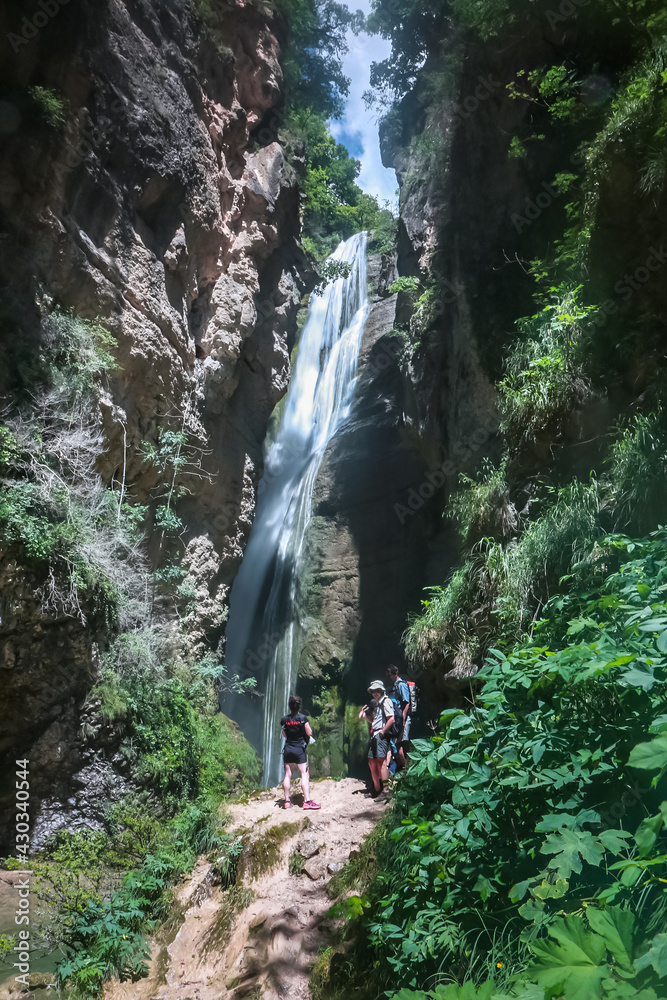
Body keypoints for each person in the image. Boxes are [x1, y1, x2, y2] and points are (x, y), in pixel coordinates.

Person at [281, 694, 321, 810]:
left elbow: (284, 734)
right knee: (304, 773)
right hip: (299, 749)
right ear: (299, 706)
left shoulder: (284, 719)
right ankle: (307, 801)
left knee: (288, 774)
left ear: (290, 706)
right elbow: (309, 733)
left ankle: (287, 801)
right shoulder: (302, 718)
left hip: (288, 748)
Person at [358, 681, 395, 797]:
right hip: (375, 735)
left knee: (381, 762)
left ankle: (385, 791)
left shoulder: (386, 701)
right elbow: (375, 722)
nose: (375, 693)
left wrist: (383, 732)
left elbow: (391, 719)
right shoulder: (378, 704)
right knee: (372, 762)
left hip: (380, 735)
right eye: (373, 691)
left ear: (382, 690)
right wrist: (365, 716)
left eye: (377, 690)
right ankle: (376, 789)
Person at [386, 664, 411, 771]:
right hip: (397, 721)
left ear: (395, 673)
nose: (388, 676)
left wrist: (403, 720)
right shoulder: (393, 687)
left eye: (389, 674)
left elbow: (407, 703)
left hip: (401, 720)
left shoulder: (401, 685)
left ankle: (407, 772)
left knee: (401, 747)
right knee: (399, 746)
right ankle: (403, 770)